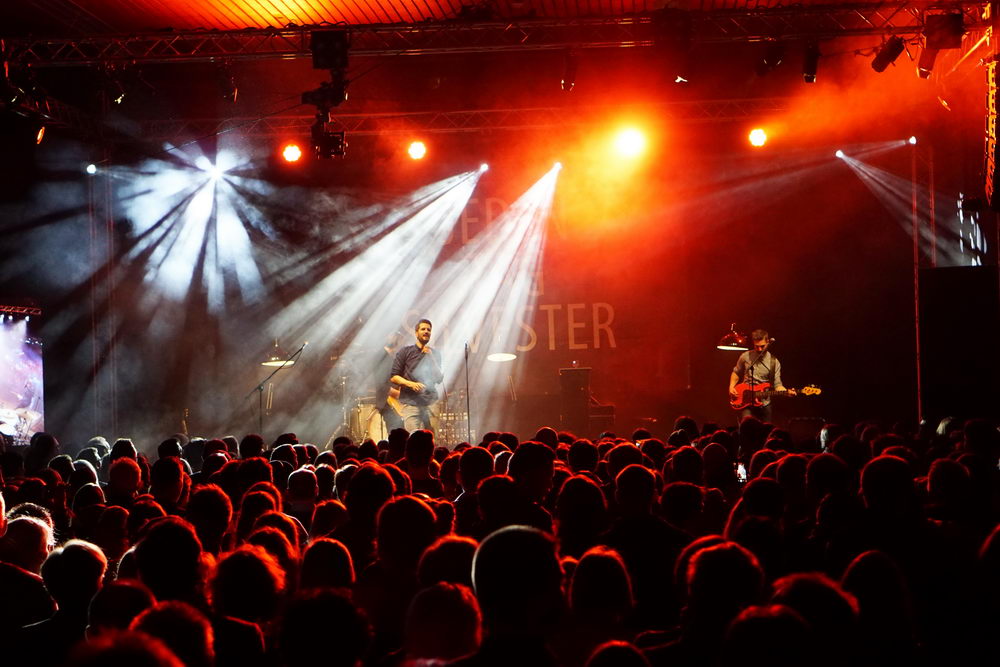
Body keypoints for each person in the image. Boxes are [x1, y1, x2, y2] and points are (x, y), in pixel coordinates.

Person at [728, 329, 794, 423]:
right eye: (756, 346)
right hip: (746, 402)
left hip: (764, 403)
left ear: (767, 342)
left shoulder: (774, 362)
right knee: (746, 428)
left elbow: (777, 385)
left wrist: (786, 392)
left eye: (762, 346)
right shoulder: (745, 356)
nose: (759, 349)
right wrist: (731, 387)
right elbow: (736, 372)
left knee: (765, 431)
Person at [390, 319, 444, 432]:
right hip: (410, 403)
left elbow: (439, 378)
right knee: (413, 439)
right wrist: (410, 384)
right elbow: (394, 377)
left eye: (429, 330)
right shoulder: (405, 352)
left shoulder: (435, 354)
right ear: (416, 333)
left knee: (431, 439)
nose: (426, 331)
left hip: (430, 402)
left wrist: (432, 358)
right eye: (423, 329)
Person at [376, 332, 405, 435]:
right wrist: (399, 394)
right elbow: (381, 384)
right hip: (387, 402)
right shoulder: (382, 358)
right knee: (396, 432)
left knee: (399, 431)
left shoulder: (392, 358)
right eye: (401, 342)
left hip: (392, 402)